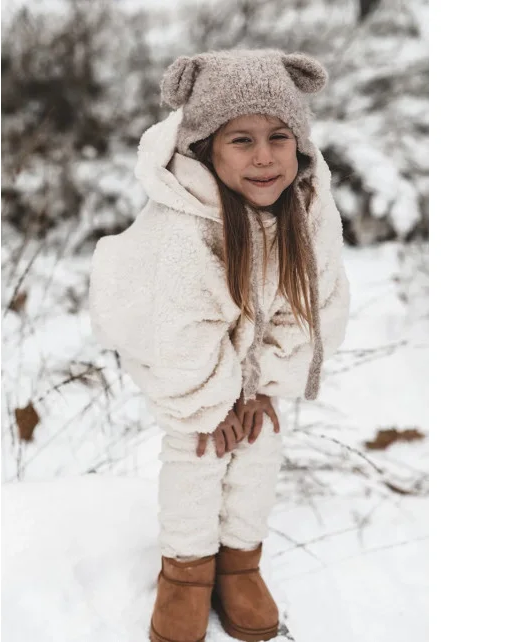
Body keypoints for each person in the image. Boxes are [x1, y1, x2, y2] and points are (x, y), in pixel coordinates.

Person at [89, 48, 350, 642]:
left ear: (299, 143)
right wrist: (212, 403)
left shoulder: (309, 207)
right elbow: (179, 327)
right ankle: (185, 571)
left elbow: (310, 299)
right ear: (206, 147)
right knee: (199, 447)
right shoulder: (184, 221)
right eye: (241, 140)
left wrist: (264, 388)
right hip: (186, 361)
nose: (264, 157)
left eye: (279, 137)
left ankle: (240, 562)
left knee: (261, 441)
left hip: (251, 363)